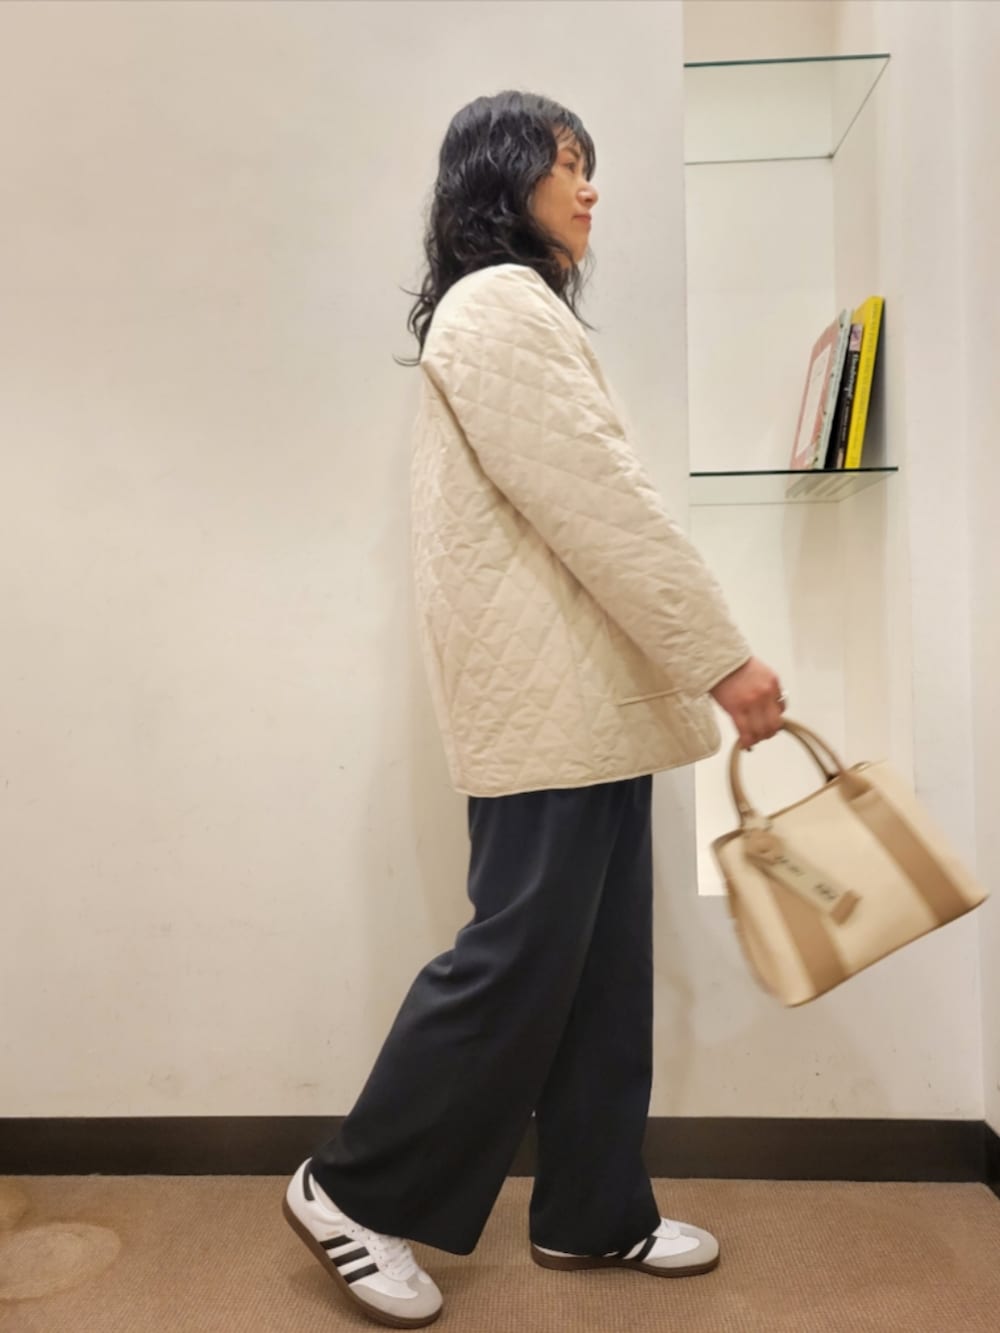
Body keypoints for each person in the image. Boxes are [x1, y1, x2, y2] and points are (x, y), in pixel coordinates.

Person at [282, 91, 785, 1329]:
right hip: (550, 702)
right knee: (513, 963)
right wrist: (720, 656)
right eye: (567, 164)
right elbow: (599, 503)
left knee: (601, 973)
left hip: (587, 703)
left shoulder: (513, 309)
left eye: (588, 165)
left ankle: (591, 1212)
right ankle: (349, 1187)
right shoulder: (499, 305)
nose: (589, 187)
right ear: (503, 179)